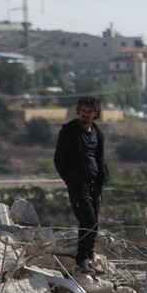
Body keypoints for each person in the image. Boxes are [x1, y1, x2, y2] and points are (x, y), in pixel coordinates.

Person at [54, 96, 109, 275]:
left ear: (96, 114)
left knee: (94, 224)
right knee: (88, 220)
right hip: (78, 184)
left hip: (95, 183)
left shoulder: (97, 133)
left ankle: (89, 259)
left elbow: (99, 157)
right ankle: (81, 261)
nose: (85, 114)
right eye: (83, 111)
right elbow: (59, 160)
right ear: (78, 111)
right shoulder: (69, 131)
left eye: (89, 112)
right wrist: (70, 179)